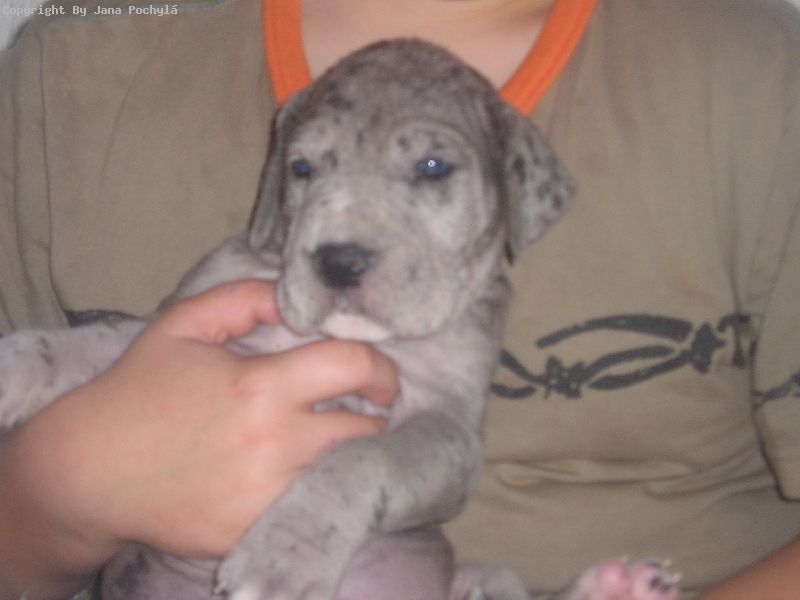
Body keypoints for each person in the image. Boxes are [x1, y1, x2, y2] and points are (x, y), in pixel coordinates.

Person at [0, 0, 798, 599]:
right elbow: (140, 352)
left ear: (514, 186)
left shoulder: (747, 72)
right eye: (310, 168)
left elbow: (445, 450)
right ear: (280, 165)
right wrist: (55, 481)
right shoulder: (78, 63)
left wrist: (334, 502)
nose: (342, 238)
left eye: (431, 169)